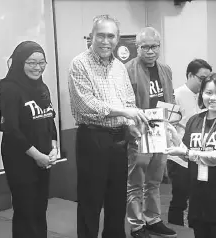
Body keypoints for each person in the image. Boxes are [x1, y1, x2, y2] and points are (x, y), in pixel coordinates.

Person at [68, 14, 148, 238]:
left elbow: (129, 101)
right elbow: (87, 105)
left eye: (110, 36)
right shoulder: (80, 64)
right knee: (90, 200)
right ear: (91, 37)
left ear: (117, 39)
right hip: (93, 139)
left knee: (116, 199)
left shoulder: (120, 68)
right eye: (100, 35)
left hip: (119, 139)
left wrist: (131, 123)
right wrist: (125, 112)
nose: (105, 41)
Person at [165, 72, 216, 238]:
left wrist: (187, 152)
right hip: (198, 197)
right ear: (201, 94)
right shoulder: (195, 120)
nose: (213, 98)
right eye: (208, 93)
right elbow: (187, 154)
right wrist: (174, 139)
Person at [0, 41, 58, 238]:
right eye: (31, 62)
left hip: (43, 158)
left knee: (40, 208)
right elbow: (11, 130)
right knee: (26, 210)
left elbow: (50, 118)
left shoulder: (42, 87)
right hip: (21, 159)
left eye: (41, 62)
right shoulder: (9, 89)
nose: (37, 67)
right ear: (19, 63)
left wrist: (54, 148)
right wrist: (36, 155)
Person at [125, 26, 177, 238]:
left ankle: (153, 218)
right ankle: (137, 224)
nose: (150, 51)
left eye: (154, 46)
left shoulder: (165, 69)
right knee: (135, 182)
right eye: (144, 47)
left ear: (159, 47)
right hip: (139, 132)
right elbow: (125, 104)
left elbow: (170, 99)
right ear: (137, 48)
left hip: (160, 131)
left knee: (154, 181)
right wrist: (133, 129)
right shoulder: (127, 70)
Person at [167, 59, 212, 226]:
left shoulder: (206, 96)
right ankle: (175, 227)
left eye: (208, 79)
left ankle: (196, 228)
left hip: (200, 155)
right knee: (180, 197)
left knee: (199, 196)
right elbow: (168, 125)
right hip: (179, 156)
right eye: (201, 78)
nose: (205, 82)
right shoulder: (175, 95)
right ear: (190, 75)